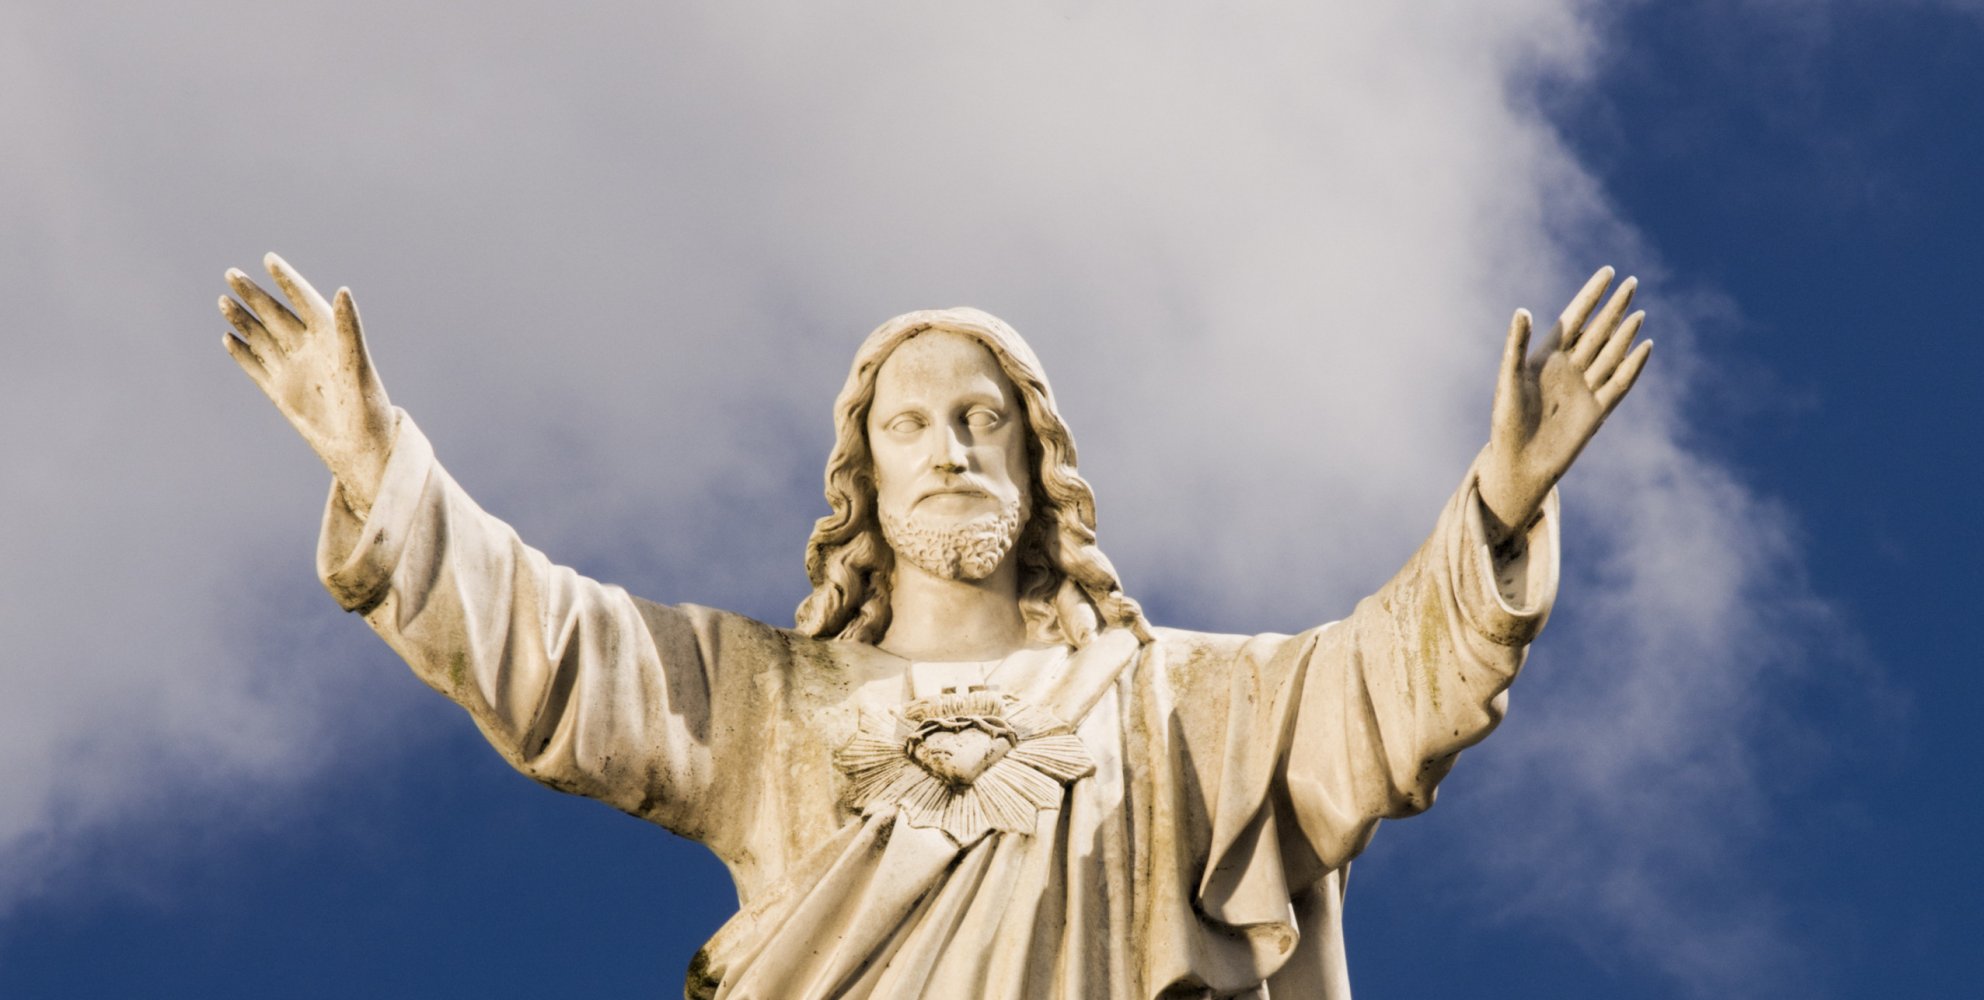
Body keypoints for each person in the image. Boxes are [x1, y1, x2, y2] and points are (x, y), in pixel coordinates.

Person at [219, 254, 1650, 999]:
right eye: (910, 426)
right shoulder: (767, 701)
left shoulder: (1171, 702)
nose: (950, 448)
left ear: (1037, 466)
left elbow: (1389, 689)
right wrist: (377, 465)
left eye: (981, 420)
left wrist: (1501, 499)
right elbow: (551, 650)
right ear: (867, 475)